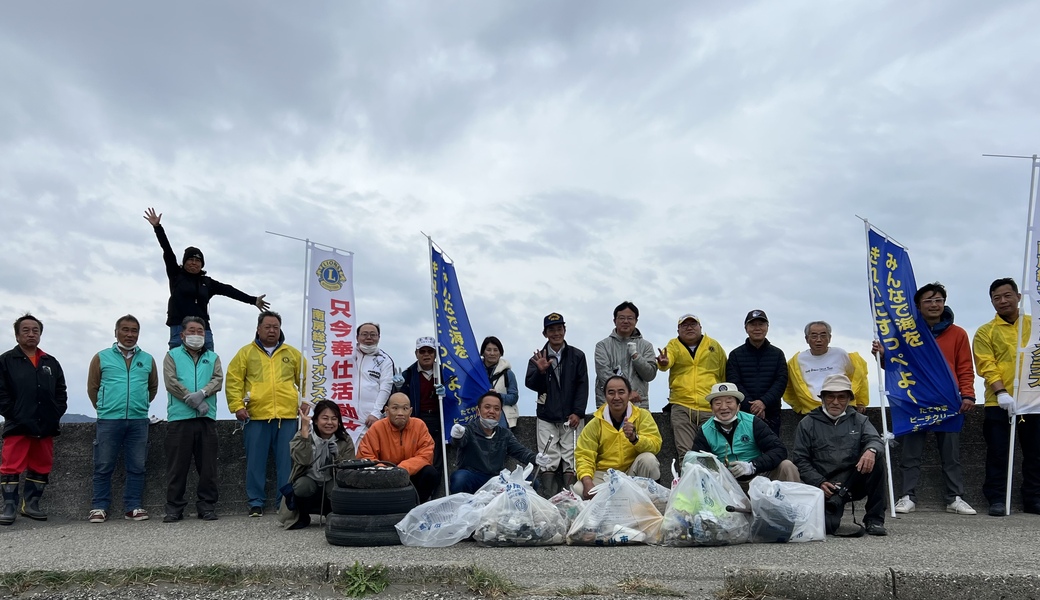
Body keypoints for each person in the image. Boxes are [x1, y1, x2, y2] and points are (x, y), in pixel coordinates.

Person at [873, 283, 977, 516]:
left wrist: (968, 393)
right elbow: (897, 365)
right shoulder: (907, 333)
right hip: (914, 400)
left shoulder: (958, 333)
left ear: (944, 303)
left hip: (948, 401)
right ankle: (907, 496)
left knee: (951, 454)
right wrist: (883, 355)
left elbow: (964, 367)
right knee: (910, 453)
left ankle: (955, 498)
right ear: (918, 306)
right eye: (928, 301)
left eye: (938, 300)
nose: (934, 305)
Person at [144, 208, 270, 350]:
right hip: (179, 327)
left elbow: (229, 290)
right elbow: (167, 250)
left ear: (202, 264)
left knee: (208, 364)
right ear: (184, 262)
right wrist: (157, 227)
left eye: (198, 260)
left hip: (203, 329)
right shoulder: (176, 274)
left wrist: (253, 300)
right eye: (190, 259)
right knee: (178, 366)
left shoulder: (207, 282)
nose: (194, 262)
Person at [972, 277, 1040, 516]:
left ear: (1018, 297)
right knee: (998, 452)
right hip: (998, 402)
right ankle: (997, 499)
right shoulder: (985, 332)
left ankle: (1033, 499)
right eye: (996, 298)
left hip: (1034, 401)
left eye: (1007, 295)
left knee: (1035, 452)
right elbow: (986, 364)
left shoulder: (1036, 325)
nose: (1002, 301)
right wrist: (1001, 392)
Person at [226, 311, 304, 517]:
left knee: (287, 462)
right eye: (267, 326)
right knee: (255, 462)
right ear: (258, 328)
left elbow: (306, 380)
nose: (272, 330)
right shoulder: (245, 353)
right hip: (255, 416)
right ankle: (256, 502)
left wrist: (305, 403)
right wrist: (236, 406)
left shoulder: (292, 353)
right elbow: (234, 380)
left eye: (276, 327)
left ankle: (284, 503)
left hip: (286, 417)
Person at [792, 374, 886, 536]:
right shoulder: (807, 423)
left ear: (849, 399)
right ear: (822, 398)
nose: (835, 402)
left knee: (877, 458)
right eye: (830, 397)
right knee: (827, 528)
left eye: (842, 397)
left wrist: (871, 450)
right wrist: (819, 482)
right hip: (826, 486)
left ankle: (874, 519)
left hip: (855, 481)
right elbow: (800, 459)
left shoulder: (860, 420)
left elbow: (875, 440)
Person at [86, 315, 158, 523]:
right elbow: (93, 387)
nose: (129, 334)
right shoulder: (101, 357)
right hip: (109, 419)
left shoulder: (147, 359)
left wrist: (141, 404)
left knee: (137, 465)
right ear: (116, 332)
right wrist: (103, 407)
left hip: (138, 420)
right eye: (125, 329)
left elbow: (152, 387)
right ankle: (99, 506)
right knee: (103, 464)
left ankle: (133, 506)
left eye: (134, 330)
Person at [0, 314, 67, 525]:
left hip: (45, 425)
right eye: (26, 330)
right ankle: (9, 506)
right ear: (18, 334)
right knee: (10, 466)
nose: (31, 334)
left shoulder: (51, 362)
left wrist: (55, 413)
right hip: (18, 424)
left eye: (35, 330)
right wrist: (14, 413)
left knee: (42, 465)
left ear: (40, 334)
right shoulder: (6, 360)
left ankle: (31, 505)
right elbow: (1, 393)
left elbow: (60, 392)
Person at [162, 317, 223, 522]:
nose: (196, 335)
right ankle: (174, 508)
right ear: (182, 334)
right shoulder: (172, 355)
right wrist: (193, 399)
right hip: (180, 419)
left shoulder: (213, 357)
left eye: (200, 331)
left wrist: (203, 393)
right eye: (192, 331)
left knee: (208, 468)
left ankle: (206, 506)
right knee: (177, 467)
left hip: (206, 419)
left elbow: (218, 379)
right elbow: (171, 382)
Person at [525, 312, 589, 498]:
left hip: (572, 416)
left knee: (572, 458)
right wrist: (541, 371)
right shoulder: (537, 358)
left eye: (559, 329)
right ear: (545, 333)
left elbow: (582, 385)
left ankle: (570, 497)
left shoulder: (577, 355)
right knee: (547, 458)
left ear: (565, 330)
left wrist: (578, 412)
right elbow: (531, 384)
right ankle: (549, 497)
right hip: (546, 415)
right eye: (551, 330)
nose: (556, 333)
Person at [693, 382, 799, 487]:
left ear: (738, 406)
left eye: (729, 402)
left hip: (759, 476)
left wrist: (752, 466)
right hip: (727, 483)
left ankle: (796, 502)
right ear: (711, 408)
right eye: (718, 403)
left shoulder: (752, 422)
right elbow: (697, 460)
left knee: (787, 466)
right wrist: (717, 472)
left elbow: (779, 450)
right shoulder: (705, 430)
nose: (724, 407)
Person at [574, 376, 662, 500]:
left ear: (629, 394)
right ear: (605, 396)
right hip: (605, 475)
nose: (616, 397)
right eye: (611, 393)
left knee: (649, 460)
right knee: (579, 488)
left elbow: (655, 445)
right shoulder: (595, 424)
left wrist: (635, 438)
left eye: (621, 392)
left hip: (632, 472)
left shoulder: (642, 416)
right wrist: (587, 482)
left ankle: (651, 505)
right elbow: (584, 456)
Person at [449, 391, 550, 494]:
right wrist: (457, 437)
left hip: (498, 479)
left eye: (496, 409)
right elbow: (458, 442)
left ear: (500, 413)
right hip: (474, 477)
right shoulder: (468, 430)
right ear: (478, 411)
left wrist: (536, 458)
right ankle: (462, 508)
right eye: (487, 407)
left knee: (531, 481)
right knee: (459, 478)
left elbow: (520, 451)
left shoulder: (504, 434)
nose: (492, 411)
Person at [656, 314, 727, 458]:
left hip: (709, 405)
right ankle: (688, 480)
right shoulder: (673, 345)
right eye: (684, 325)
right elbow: (666, 361)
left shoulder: (714, 345)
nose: (689, 327)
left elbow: (723, 374)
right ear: (678, 330)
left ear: (700, 327)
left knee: (713, 455)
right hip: (682, 405)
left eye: (693, 324)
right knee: (686, 455)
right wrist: (663, 363)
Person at [278, 400, 356, 530]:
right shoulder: (303, 435)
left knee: (336, 488)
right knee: (303, 486)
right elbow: (302, 460)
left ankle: (334, 513)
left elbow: (349, 470)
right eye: (325, 418)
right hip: (310, 481)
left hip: (330, 482)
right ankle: (301, 515)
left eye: (334, 419)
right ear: (315, 420)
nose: (330, 423)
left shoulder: (344, 440)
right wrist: (304, 433)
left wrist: (337, 456)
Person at [357, 393, 439, 502]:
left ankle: (417, 505)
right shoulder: (377, 428)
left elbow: (426, 455)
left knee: (430, 473)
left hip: (410, 473)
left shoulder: (419, 426)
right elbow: (365, 456)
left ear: (410, 411)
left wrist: (402, 469)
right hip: (384, 475)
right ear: (387, 410)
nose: (400, 413)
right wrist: (387, 470)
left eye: (405, 408)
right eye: (395, 408)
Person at [725, 310, 788, 436]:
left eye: (761, 324)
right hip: (742, 413)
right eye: (753, 325)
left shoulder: (777, 354)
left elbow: (781, 381)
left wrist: (763, 402)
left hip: (771, 413)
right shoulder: (735, 355)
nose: (757, 328)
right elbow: (734, 382)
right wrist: (752, 407)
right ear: (746, 328)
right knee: (744, 452)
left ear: (767, 327)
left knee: (771, 451)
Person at [785, 321, 869, 415]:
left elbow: (859, 376)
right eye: (814, 336)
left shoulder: (841, 354)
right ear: (806, 339)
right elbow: (788, 387)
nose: (819, 340)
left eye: (823, 335)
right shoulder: (796, 361)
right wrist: (797, 407)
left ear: (830, 338)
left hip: (843, 408)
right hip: (812, 410)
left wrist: (860, 402)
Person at [394, 337, 447, 469]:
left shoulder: (444, 373)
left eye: (430, 351)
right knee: (416, 454)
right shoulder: (408, 374)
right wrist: (398, 387)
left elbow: (456, 395)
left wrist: (447, 394)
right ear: (416, 353)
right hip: (417, 418)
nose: (426, 355)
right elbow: (399, 399)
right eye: (422, 351)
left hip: (438, 418)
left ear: (435, 354)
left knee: (437, 456)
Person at [594, 301, 657, 410]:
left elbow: (650, 375)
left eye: (630, 318)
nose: (626, 321)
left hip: (638, 404)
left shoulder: (646, 346)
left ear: (636, 321)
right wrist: (627, 393)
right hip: (609, 405)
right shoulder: (602, 346)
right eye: (622, 318)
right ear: (614, 321)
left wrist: (636, 357)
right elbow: (603, 373)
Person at [353, 322, 395, 434]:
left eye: (373, 334)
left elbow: (385, 388)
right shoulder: (346, 355)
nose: (368, 338)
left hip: (369, 419)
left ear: (379, 337)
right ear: (357, 337)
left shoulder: (385, 359)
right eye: (364, 334)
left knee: (368, 450)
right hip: (345, 416)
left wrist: (376, 413)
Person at [480, 336, 519, 429]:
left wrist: (498, 396)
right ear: (483, 353)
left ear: (500, 353)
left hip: (502, 415)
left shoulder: (508, 374)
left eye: (495, 350)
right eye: (488, 350)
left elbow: (514, 397)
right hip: (479, 414)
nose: (492, 353)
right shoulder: (475, 372)